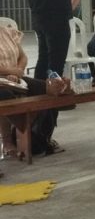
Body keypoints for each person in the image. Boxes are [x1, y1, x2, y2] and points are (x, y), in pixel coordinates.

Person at [0, 25, 68, 161]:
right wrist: (10, 72)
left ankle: (42, 136)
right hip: (4, 80)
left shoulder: (5, 31)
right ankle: (9, 141)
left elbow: (23, 57)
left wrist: (18, 70)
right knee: (6, 96)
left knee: (50, 91)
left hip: (16, 78)